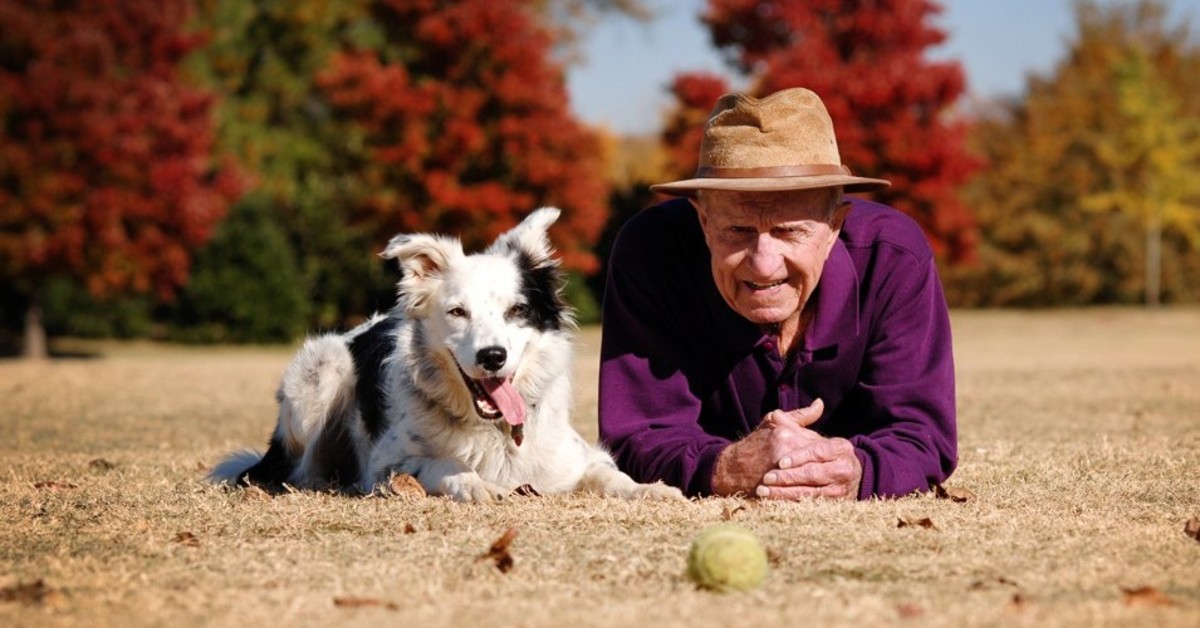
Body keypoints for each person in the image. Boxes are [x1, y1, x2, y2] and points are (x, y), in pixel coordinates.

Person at [597, 88, 957, 500]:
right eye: (738, 231)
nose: (764, 263)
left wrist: (856, 469)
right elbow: (637, 437)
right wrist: (727, 467)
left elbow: (922, 436)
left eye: (789, 231)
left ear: (834, 226)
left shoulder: (895, 258)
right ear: (703, 220)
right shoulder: (651, 253)